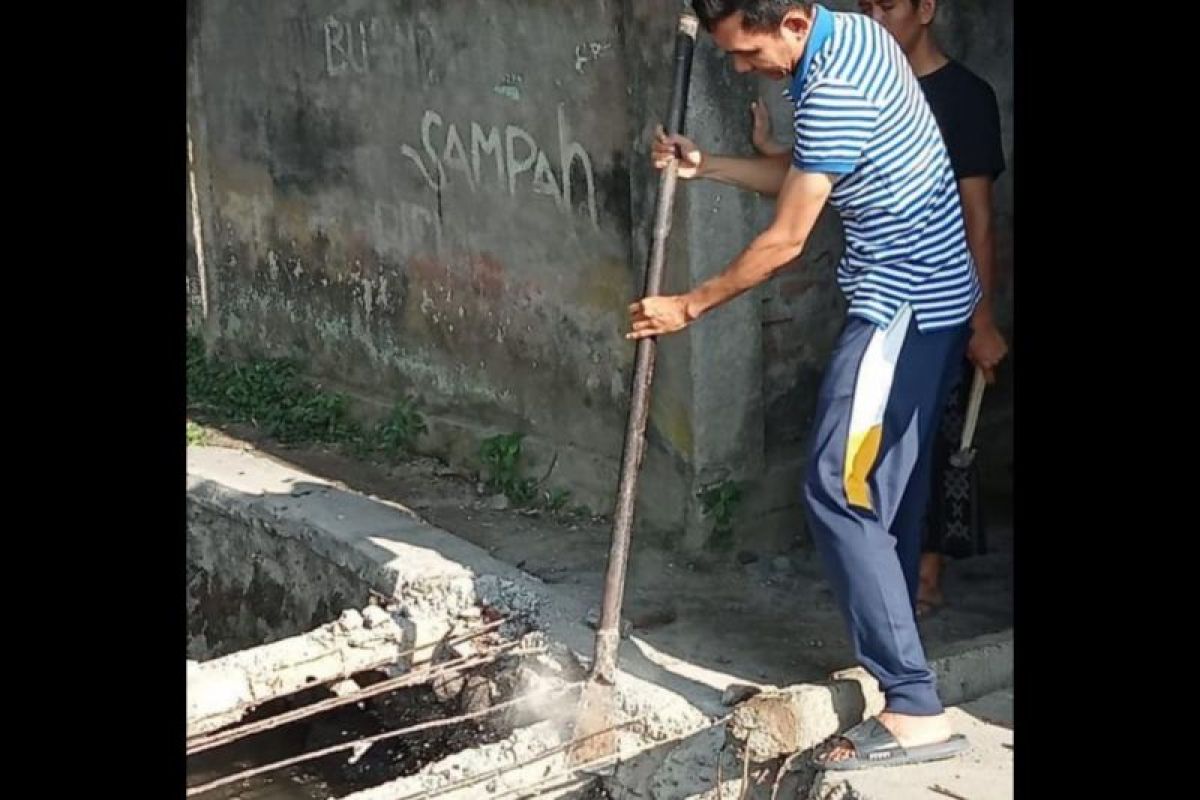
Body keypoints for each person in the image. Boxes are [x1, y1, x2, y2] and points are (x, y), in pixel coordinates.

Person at [628, 0, 1005, 768]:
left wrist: (686, 306)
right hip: (930, 301)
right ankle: (899, 669)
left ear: (794, 22)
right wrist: (711, 167)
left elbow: (788, 237)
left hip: (901, 306)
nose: (741, 69)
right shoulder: (853, 38)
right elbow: (809, 177)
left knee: (837, 487)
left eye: (748, 52)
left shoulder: (833, 87)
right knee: (881, 495)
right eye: (731, 56)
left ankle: (914, 710)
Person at [749, 0, 1009, 618]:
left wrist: (982, 317)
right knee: (887, 459)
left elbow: (976, 218)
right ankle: (897, 595)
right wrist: (771, 157)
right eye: (865, 6)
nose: (874, 16)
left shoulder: (963, 98)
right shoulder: (862, 77)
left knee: (935, 444)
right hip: (881, 299)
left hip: (934, 302)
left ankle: (922, 582)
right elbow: (825, 165)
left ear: (927, 9)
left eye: (886, 6)